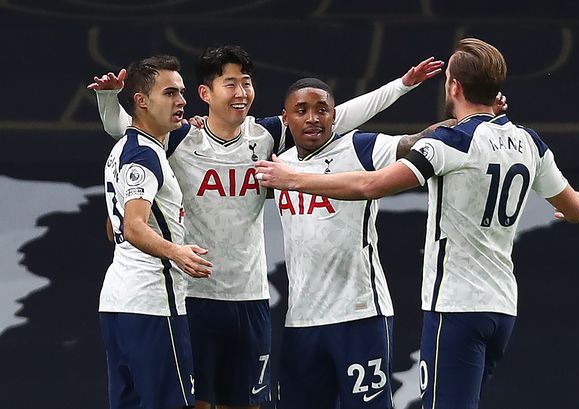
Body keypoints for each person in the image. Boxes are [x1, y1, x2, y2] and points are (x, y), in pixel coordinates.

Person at [88, 45, 444, 409]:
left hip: (250, 296)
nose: (241, 92)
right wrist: (107, 101)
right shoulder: (178, 138)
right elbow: (129, 129)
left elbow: (331, 116)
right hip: (195, 295)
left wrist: (401, 85)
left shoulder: (266, 136)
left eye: (246, 82)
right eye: (230, 84)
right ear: (206, 93)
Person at [255, 38, 579, 409]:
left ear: (454, 86)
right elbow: (577, 208)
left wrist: (294, 179)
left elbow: (372, 184)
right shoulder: (530, 142)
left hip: (454, 304)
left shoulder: (449, 142)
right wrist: (566, 210)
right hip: (502, 306)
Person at [99, 55, 212, 409]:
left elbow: (113, 226)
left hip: (117, 304)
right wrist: (177, 252)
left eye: (181, 92)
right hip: (153, 305)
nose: (182, 101)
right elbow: (132, 227)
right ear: (141, 101)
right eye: (170, 93)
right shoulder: (145, 156)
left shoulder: (122, 149)